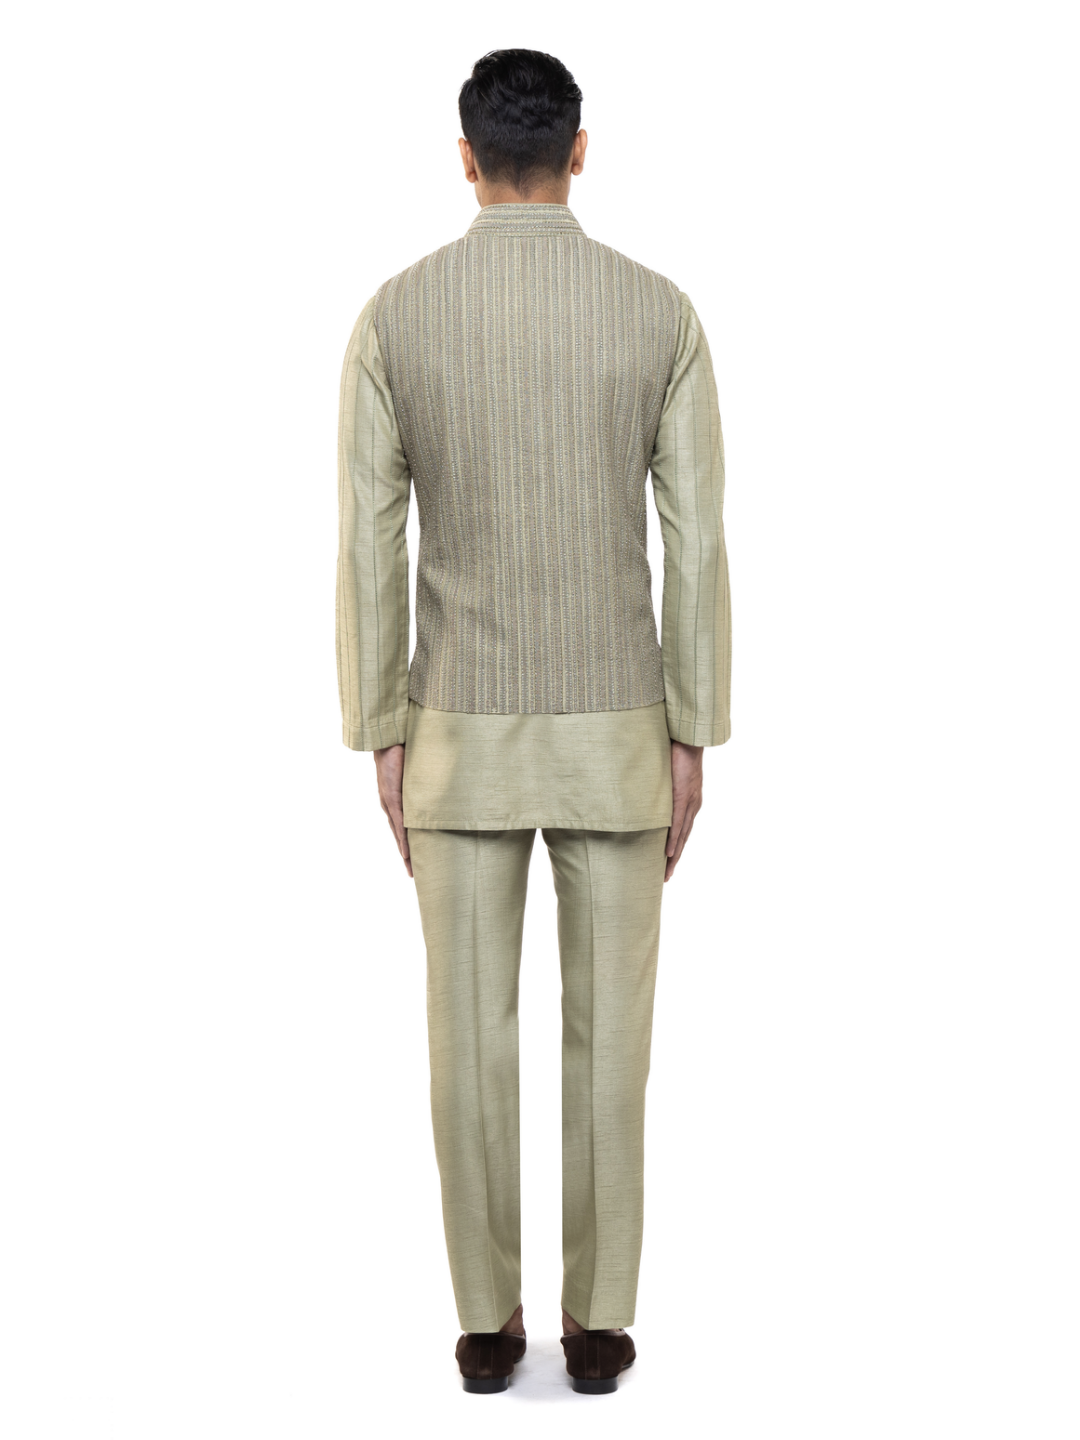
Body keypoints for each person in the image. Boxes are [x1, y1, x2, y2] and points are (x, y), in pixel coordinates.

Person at [336, 47, 730, 1395]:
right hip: (621, 733)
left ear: (464, 159)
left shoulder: (395, 319)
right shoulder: (659, 314)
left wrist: (380, 727)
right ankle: (602, 1328)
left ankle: (486, 1326)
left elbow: (369, 542)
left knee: (467, 1041)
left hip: (454, 731)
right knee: (612, 1041)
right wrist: (694, 725)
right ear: (579, 151)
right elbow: (696, 539)